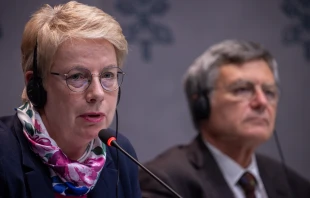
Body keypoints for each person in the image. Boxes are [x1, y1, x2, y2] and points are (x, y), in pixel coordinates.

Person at [0, 1, 141, 198]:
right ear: (36, 86)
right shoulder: (4, 154)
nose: (98, 93)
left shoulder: (119, 154)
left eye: (108, 75)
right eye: (77, 76)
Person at [139, 39, 310, 198]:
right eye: (242, 89)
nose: (262, 102)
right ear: (201, 104)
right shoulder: (164, 180)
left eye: (269, 92)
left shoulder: (294, 185)